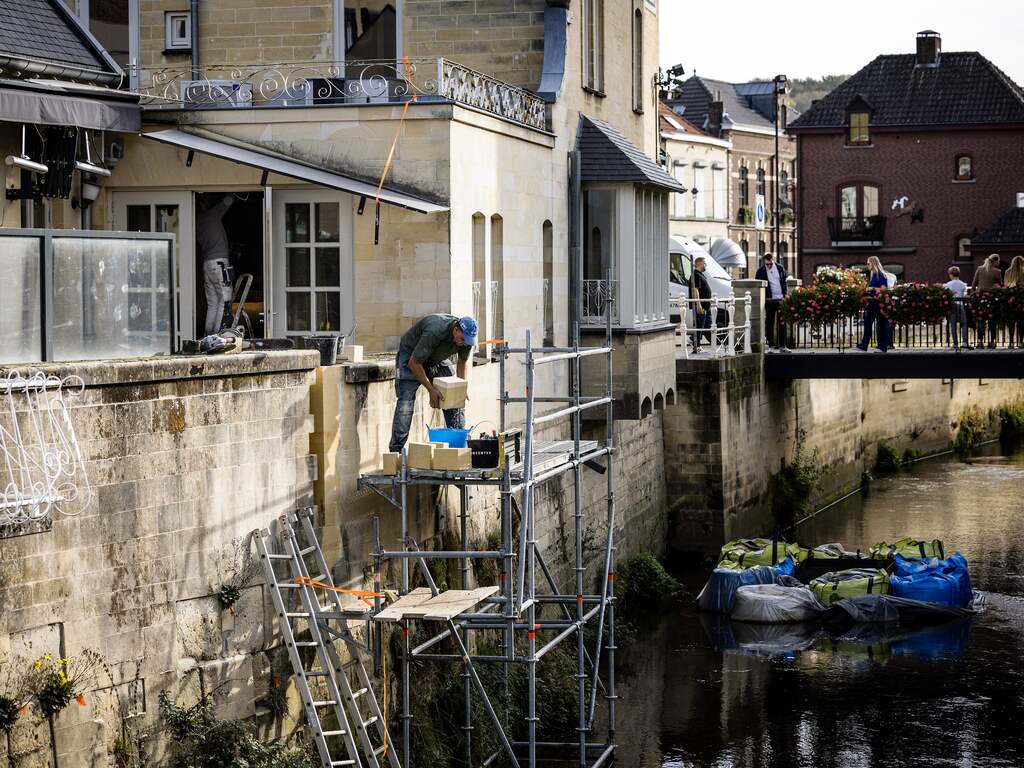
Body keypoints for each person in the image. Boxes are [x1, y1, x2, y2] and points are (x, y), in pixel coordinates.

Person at [388, 314, 476, 453]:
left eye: (468, 341)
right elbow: (414, 363)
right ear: (456, 330)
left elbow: (462, 362)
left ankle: (457, 448)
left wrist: (460, 387)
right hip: (411, 356)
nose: (465, 344)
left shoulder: (466, 340)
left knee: (454, 395)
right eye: (463, 339)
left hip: (435, 358)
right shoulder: (435, 330)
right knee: (406, 404)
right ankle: (396, 452)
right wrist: (431, 389)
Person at [197, 194, 235, 335]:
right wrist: (234, 192)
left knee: (212, 303)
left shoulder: (197, 222)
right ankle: (218, 336)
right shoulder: (211, 215)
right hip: (219, 263)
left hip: (207, 264)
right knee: (224, 302)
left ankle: (208, 335)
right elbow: (228, 202)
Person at [856, 256, 893, 353]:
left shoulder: (881, 275)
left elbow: (884, 289)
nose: (867, 265)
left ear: (873, 263)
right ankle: (864, 345)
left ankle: (881, 347)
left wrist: (872, 288)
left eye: (868, 263)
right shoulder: (873, 275)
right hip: (872, 302)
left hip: (878, 302)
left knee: (880, 324)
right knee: (868, 323)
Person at [755, 252, 788, 351]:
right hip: (769, 300)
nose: (769, 266)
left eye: (770, 264)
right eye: (767, 264)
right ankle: (771, 346)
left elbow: (784, 282)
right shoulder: (760, 272)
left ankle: (782, 346)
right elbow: (758, 286)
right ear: (764, 262)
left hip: (781, 299)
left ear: (773, 261)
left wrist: (785, 295)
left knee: (782, 323)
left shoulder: (780, 268)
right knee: (769, 323)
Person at [971, 254, 1003, 348]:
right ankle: (992, 342)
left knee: (980, 320)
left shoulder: (980, 269)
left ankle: (980, 342)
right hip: (991, 298)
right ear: (995, 261)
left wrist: (975, 293)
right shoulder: (997, 272)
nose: (999, 263)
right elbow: (1000, 285)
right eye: (998, 261)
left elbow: (974, 284)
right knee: (992, 320)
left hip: (979, 297)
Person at [943, 266, 971, 351]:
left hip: (952, 305)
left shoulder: (947, 285)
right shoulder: (963, 284)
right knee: (964, 323)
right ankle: (965, 342)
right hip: (961, 305)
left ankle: (955, 343)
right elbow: (965, 296)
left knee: (953, 324)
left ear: (951, 274)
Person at [689, 256, 713, 353]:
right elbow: (695, 290)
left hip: (706, 306)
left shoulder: (700, 274)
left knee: (707, 326)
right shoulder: (695, 275)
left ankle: (694, 340)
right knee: (699, 325)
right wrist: (698, 305)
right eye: (705, 263)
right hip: (701, 306)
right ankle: (696, 344)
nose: (706, 265)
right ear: (700, 263)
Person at [1005, 255, 1024, 348]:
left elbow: (1006, 285)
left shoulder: (1007, 272)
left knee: (1011, 322)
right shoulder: (1023, 271)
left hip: (1010, 300)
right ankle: (1021, 342)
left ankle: (1011, 342)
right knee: (1021, 321)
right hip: (1021, 299)